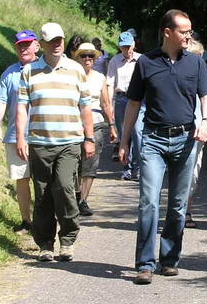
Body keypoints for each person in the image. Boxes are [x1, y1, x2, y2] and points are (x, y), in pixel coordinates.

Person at [119, 9, 207, 285]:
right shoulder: (146, 63)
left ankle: (170, 259)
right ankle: (145, 264)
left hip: (186, 140)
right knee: (148, 202)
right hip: (153, 140)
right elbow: (134, 104)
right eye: (183, 31)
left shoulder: (195, 64)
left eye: (189, 31)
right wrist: (124, 141)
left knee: (177, 206)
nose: (189, 36)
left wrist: (206, 121)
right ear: (167, 32)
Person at [16, 22, 95, 262]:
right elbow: (21, 108)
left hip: (69, 141)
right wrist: (21, 137)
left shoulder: (75, 70)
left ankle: (68, 240)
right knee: (42, 194)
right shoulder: (29, 72)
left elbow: (85, 107)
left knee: (64, 188)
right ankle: (45, 244)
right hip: (40, 142)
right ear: (42, 44)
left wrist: (89, 138)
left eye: (60, 39)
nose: (58, 44)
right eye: (52, 41)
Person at [0, 29, 39, 234]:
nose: (24, 48)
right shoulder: (9, 73)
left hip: (41, 135)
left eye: (27, 44)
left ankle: (44, 220)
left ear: (37, 45)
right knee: (21, 179)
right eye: (20, 45)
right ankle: (26, 221)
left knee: (44, 181)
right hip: (14, 135)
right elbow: (1, 99)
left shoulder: (43, 69)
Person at [73, 42, 116, 215]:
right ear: (78, 57)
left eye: (91, 55)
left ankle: (83, 200)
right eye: (84, 55)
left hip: (97, 123)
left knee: (90, 163)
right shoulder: (71, 75)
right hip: (74, 124)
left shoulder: (100, 78)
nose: (87, 59)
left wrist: (112, 126)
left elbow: (106, 104)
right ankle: (74, 196)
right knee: (74, 162)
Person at [184, 35, 207, 229]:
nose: (198, 61)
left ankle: (186, 210)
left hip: (199, 132)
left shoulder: (203, 73)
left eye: (200, 56)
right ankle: (179, 211)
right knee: (178, 174)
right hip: (177, 131)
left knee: (193, 175)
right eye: (194, 56)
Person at [107, 31, 144, 180]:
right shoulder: (114, 61)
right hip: (122, 99)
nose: (126, 50)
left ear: (134, 45)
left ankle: (139, 167)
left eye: (128, 46)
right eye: (123, 47)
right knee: (124, 136)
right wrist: (109, 104)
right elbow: (110, 84)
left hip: (139, 100)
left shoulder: (142, 59)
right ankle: (127, 168)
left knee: (138, 134)